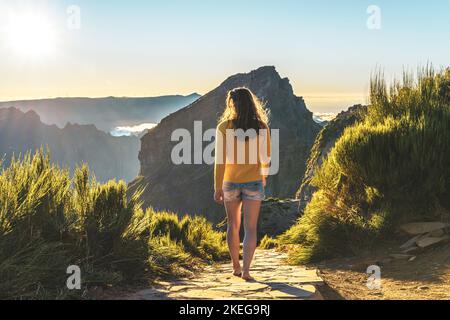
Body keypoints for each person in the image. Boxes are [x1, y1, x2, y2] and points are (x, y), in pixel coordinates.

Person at [214, 87, 271, 281]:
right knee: (251, 228)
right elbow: (266, 158)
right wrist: (264, 176)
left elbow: (220, 160)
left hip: (230, 182)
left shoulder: (224, 127)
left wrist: (217, 187)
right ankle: (246, 270)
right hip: (254, 182)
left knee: (233, 225)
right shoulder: (262, 127)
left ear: (232, 104)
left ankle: (236, 267)